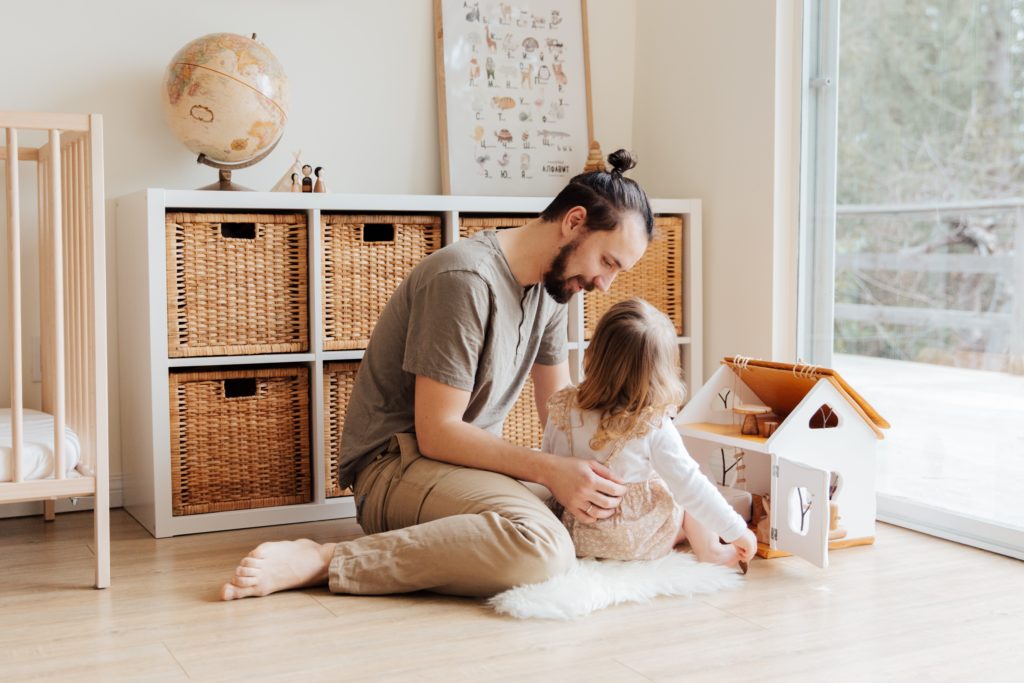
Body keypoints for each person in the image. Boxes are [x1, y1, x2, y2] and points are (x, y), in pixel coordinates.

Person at [221, 149, 654, 600]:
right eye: (607, 262)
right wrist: (552, 473)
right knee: (544, 548)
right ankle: (329, 559)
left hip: (465, 468)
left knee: (600, 512)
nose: (604, 284)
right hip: (396, 467)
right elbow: (437, 433)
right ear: (574, 222)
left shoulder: (551, 289)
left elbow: (560, 412)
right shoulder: (465, 279)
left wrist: (619, 467)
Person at [542, 298, 757, 569]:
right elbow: (692, 487)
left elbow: (549, 460)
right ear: (662, 374)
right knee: (685, 487)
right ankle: (711, 550)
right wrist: (738, 530)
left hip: (576, 532)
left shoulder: (563, 406)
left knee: (674, 483)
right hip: (634, 540)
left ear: (593, 353)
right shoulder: (652, 425)